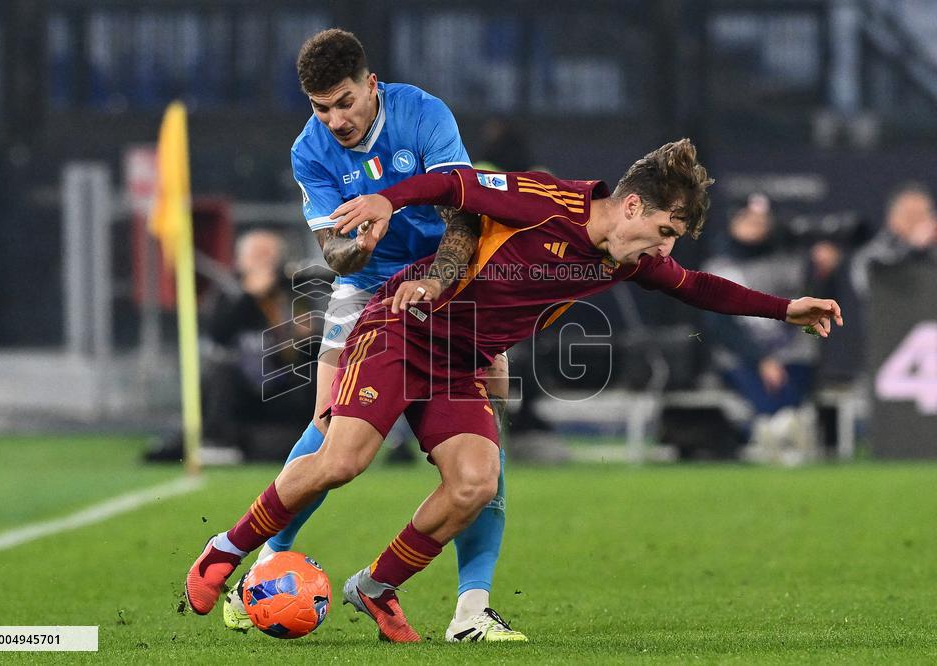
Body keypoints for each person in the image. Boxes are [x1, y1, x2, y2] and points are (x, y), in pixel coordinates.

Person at [186, 139, 843, 641]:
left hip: (462, 362)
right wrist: (390, 200)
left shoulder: (629, 258)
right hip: (404, 329)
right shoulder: (544, 201)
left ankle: (376, 587)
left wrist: (786, 309)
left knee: (476, 482)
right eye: (665, 232)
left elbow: (697, 286)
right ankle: (224, 551)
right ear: (633, 207)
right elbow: (456, 183)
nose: (664, 250)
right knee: (342, 460)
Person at [216, 29, 524, 642]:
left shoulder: (424, 115)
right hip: (365, 292)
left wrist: (437, 283)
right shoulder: (309, 151)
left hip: (447, 282)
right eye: (321, 108)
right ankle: (265, 567)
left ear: (370, 85)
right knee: (328, 429)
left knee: (486, 438)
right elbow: (332, 250)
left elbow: (464, 218)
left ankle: (472, 609)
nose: (336, 120)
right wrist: (356, 248)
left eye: (345, 102)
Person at [144, 230, 312, 463]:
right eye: (256, 255)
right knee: (219, 373)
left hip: (280, 386)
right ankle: (218, 441)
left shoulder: (292, 293)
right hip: (239, 385)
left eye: (269, 255)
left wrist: (304, 333)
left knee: (312, 378)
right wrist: (249, 296)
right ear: (240, 259)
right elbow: (218, 334)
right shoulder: (227, 291)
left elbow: (307, 344)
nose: (263, 262)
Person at [701, 194, 818, 462]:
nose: (755, 226)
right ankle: (780, 431)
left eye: (762, 220)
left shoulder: (790, 264)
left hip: (790, 353)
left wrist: (824, 271)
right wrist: (762, 359)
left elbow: (811, 309)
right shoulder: (719, 269)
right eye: (748, 220)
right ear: (733, 222)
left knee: (790, 382)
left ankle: (776, 431)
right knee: (768, 396)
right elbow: (721, 327)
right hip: (744, 357)